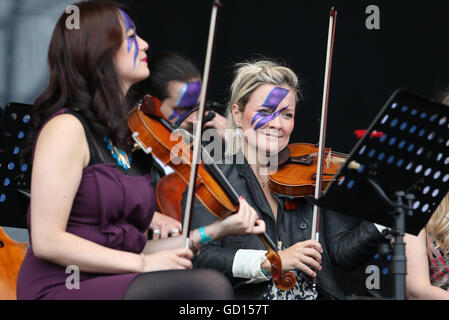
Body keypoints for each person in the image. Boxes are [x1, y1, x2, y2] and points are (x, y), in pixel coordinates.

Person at [16, 1, 265, 300]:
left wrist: (218, 229)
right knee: (207, 288)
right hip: (61, 286)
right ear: (100, 50)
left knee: (206, 283)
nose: (145, 44)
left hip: (117, 278)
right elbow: (46, 241)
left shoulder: (123, 138)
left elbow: (131, 250)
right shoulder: (67, 129)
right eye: (132, 37)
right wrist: (143, 264)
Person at [185, 60, 388, 300]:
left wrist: (387, 216)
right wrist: (273, 261)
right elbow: (201, 258)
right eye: (264, 112)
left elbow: (341, 252)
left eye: (287, 114)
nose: (277, 124)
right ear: (237, 115)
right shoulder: (211, 181)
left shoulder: (308, 177)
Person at [127, 51, 228, 234]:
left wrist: (236, 143)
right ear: (150, 104)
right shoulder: (127, 153)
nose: (196, 119)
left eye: (200, 106)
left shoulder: (209, 143)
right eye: (184, 109)